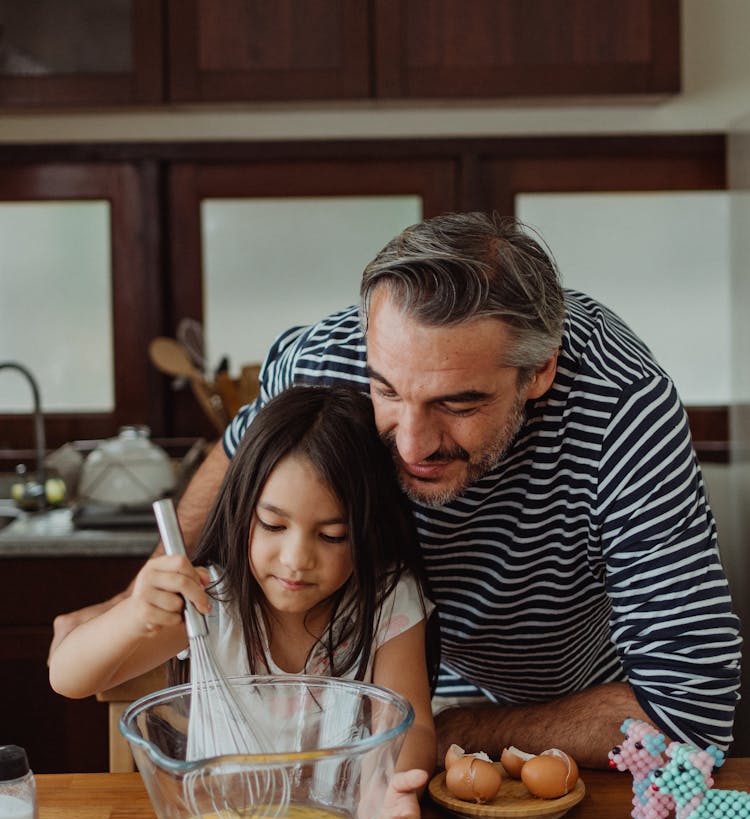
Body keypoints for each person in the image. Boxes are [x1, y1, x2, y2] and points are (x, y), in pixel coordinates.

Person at [52, 212, 742, 769]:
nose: (411, 446)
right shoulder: (320, 362)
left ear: (539, 373)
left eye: (459, 403)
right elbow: (236, 470)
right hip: (407, 687)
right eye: (387, 390)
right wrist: (136, 598)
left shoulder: (621, 405)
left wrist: (455, 728)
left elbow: (688, 711)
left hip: (571, 704)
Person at [50, 385, 438, 819]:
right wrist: (135, 615)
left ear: (368, 531)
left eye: (332, 535)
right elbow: (69, 679)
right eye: (273, 526)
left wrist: (391, 791)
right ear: (242, 511)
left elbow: (409, 724)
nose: (296, 560)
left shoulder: (386, 600)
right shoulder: (210, 601)